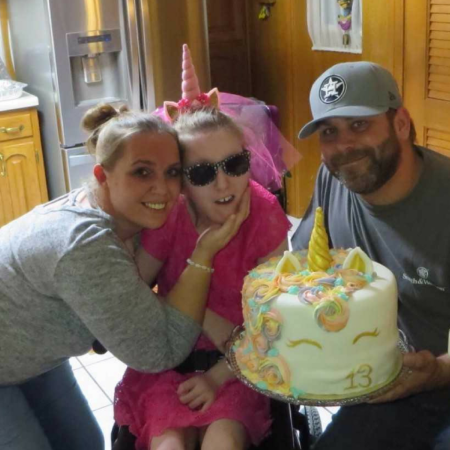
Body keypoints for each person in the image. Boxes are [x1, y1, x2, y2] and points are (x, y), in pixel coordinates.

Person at [0, 104, 249, 450]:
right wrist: (203, 253)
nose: (162, 189)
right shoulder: (85, 246)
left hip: (27, 356)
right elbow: (160, 351)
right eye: (142, 173)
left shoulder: (119, 216)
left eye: (173, 171)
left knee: (84, 441)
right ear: (103, 175)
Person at [291, 61, 450, 450]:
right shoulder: (333, 177)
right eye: (329, 132)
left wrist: (437, 372)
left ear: (401, 123)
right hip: (384, 380)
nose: (344, 147)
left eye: (359, 124)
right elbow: (310, 263)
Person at [114, 108, 291, 450]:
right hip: (169, 363)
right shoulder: (171, 213)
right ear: (181, 183)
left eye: (235, 165)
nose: (223, 183)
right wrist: (200, 315)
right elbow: (131, 291)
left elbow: (277, 320)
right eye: (202, 173)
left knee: (222, 442)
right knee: (169, 445)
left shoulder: (264, 215)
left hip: (240, 364)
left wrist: (216, 377)